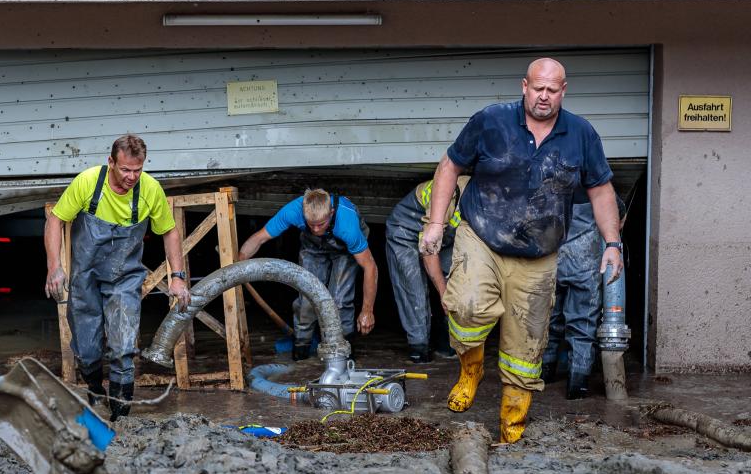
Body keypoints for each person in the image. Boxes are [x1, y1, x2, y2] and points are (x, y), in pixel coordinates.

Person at [420, 57, 623, 444]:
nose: (544, 97)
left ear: (564, 91)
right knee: (466, 305)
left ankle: (511, 428)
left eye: (552, 90)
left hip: (538, 256)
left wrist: (612, 243)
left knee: (525, 349)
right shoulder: (490, 121)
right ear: (524, 87)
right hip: (482, 238)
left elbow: (600, 190)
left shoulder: (582, 134)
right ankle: (471, 370)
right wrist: (435, 223)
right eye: (538, 88)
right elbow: (450, 166)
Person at [44, 135, 191, 420]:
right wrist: (54, 266)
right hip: (85, 277)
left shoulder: (150, 189)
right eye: (125, 169)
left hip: (124, 278)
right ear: (111, 162)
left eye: (137, 170)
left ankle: (120, 415)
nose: (131, 177)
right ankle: (96, 391)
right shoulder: (88, 182)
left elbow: (170, 232)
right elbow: (55, 219)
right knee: (87, 349)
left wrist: (178, 276)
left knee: (123, 347)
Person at [239, 189, 378, 360]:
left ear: (331, 213)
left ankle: (343, 351)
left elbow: (370, 267)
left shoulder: (347, 225)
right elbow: (259, 238)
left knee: (339, 301)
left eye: (321, 224)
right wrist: (240, 262)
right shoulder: (293, 211)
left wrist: (367, 310)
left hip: (345, 250)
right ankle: (301, 349)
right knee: (307, 299)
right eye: (311, 224)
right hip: (313, 248)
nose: (316, 229)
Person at [542, 188, 626, 399]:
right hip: (585, 262)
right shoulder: (595, 183)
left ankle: (544, 372)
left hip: (548, 261)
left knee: (546, 316)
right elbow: (618, 214)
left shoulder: (545, 176)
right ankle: (577, 384)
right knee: (583, 322)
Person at [384, 175, 470, 363]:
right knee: (414, 290)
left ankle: (446, 345)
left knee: (456, 280)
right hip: (405, 232)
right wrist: (443, 293)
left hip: (443, 238)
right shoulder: (448, 193)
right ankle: (419, 349)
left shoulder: (483, 196)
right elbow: (429, 252)